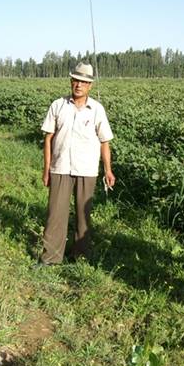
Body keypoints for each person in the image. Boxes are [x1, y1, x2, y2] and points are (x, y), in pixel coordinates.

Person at [40, 62, 115, 265]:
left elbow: (104, 141)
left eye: (84, 82)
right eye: (76, 80)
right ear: (71, 81)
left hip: (87, 169)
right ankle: (50, 258)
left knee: (83, 216)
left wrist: (108, 170)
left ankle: (80, 258)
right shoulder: (58, 105)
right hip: (60, 167)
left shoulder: (97, 110)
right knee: (55, 214)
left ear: (90, 85)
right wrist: (46, 169)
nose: (79, 85)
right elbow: (48, 139)